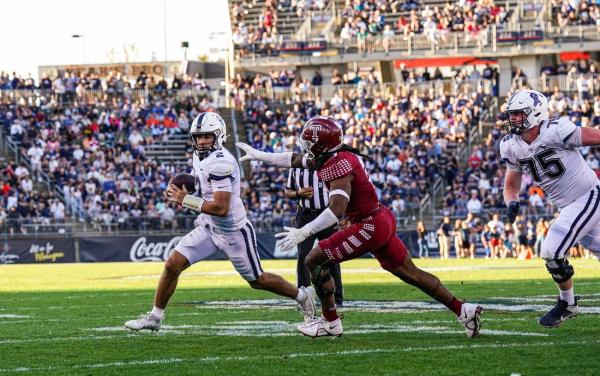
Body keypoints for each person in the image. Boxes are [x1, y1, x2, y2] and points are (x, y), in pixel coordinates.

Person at [236, 117, 482, 338]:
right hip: (379, 218)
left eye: (309, 142)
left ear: (321, 144)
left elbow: (336, 209)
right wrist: (259, 155)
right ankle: (463, 310)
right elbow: (293, 159)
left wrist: (304, 231)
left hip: (368, 225)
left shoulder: (337, 164)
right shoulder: (330, 156)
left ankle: (330, 322)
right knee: (412, 273)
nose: (305, 147)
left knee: (314, 259)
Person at [125, 112, 316, 331]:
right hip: (209, 226)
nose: (201, 141)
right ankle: (155, 318)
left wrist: (186, 199)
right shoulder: (200, 157)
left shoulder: (221, 163)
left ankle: (302, 296)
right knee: (172, 264)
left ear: (219, 135)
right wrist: (183, 186)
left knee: (257, 280)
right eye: (197, 137)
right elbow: (203, 186)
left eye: (206, 136)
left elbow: (221, 208)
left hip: (233, 231)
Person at [500, 89, 600, 328]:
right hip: (569, 206)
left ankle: (568, 303)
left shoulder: (556, 130)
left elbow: (595, 136)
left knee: (551, 249)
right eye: (511, 115)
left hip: (588, 195)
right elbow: (510, 185)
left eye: (518, 114)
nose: (512, 119)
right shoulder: (511, 145)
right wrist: (511, 202)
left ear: (535, 114)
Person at [286, 167, 344, 306]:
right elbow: (288, 191)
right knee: (303, 255)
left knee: (332, 255)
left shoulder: (328, 166)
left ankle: (337, 296)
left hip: (327, 215)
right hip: (305, 215)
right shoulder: (295, 167)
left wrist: (342, 215)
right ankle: (303, 296)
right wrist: (298, 193)